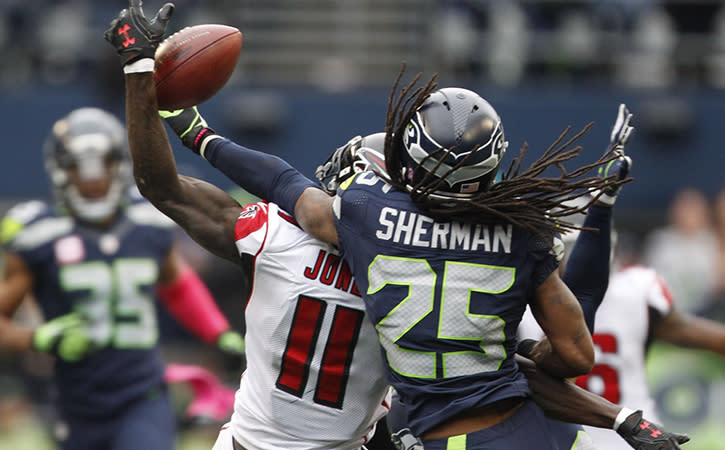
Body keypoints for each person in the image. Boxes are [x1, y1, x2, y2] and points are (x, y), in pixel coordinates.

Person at [104, 3, 689, 450]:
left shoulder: (276, 235)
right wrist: (619, 417)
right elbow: (513, 374)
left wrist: (156, 94)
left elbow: (167, 186)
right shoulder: (443, 273)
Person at [0, 107, 245, 450]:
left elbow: (177, 286)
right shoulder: (37, 233)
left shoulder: (148, 222)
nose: (93, 179)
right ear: (60, 170)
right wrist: (38, 339)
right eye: (79, 168)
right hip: (74, 399)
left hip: (140, 393)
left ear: (118, 165)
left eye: (102, 165)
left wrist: (218, 333)